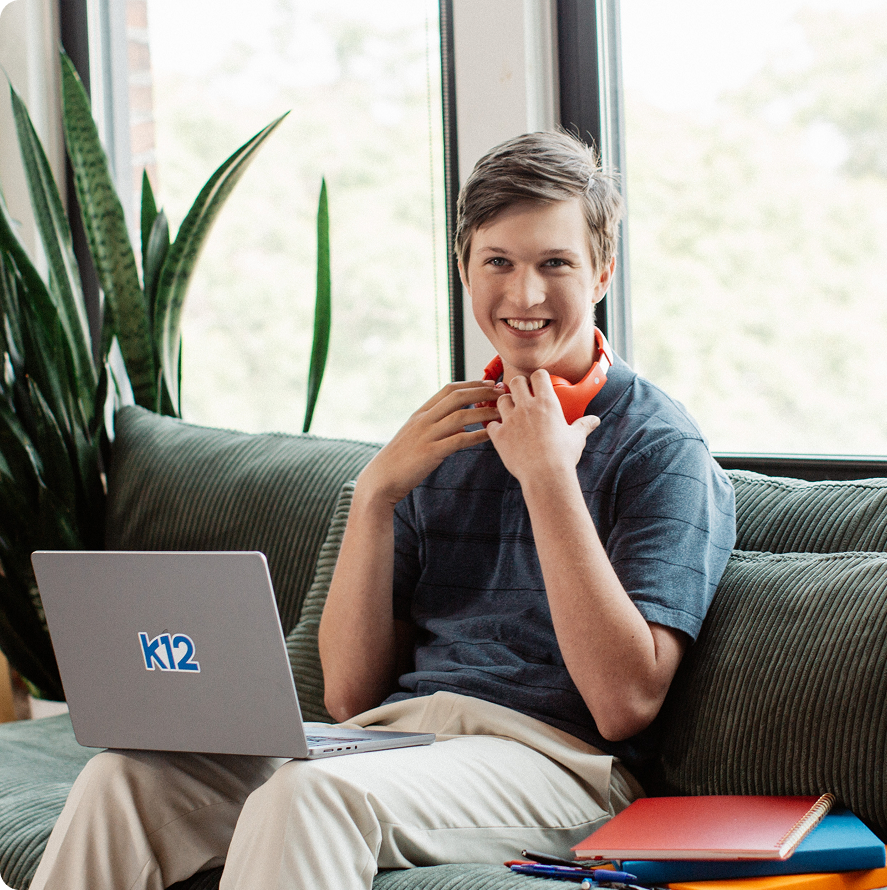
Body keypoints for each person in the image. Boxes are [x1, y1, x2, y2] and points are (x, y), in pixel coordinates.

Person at [29, 130, 735, 890]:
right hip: (393, 742)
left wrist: (548, 480)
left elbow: (624, 703)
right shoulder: (440, 438)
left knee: (313, 796)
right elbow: (350, 696)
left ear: (602, 271)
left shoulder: (660, 447)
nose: (525, 296)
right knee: (124, 779)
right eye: (498, 261)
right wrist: (375, 495)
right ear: (465, 269)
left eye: (554, 263)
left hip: (561, 765)